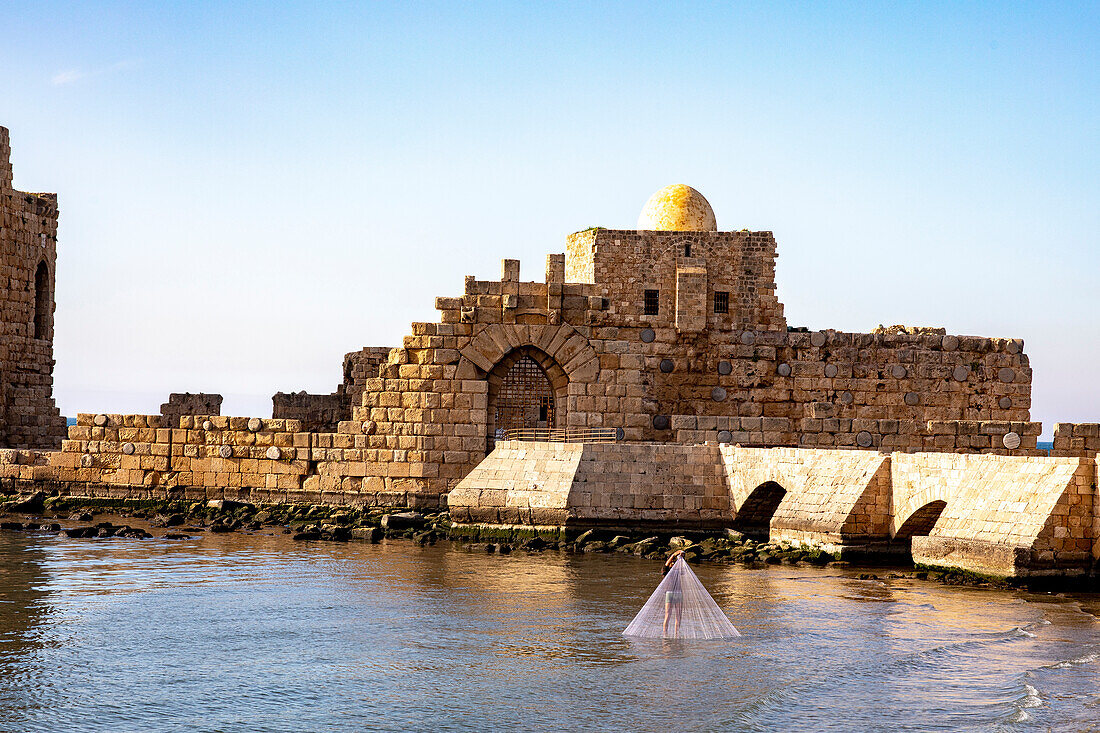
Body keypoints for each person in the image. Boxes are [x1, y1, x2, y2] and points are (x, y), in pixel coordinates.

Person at [663, 550, 685, 636]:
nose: (673, 563)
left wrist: (681, 557)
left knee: (678, 615)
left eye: (674, 562)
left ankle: (677, 634)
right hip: (670, 593)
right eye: (672, 562)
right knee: (668, 614)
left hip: (678, 593)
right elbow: (666, 564)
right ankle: (665, 633)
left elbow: (683, 569)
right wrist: (674, 554)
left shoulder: (678, 570)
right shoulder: (666, 570)